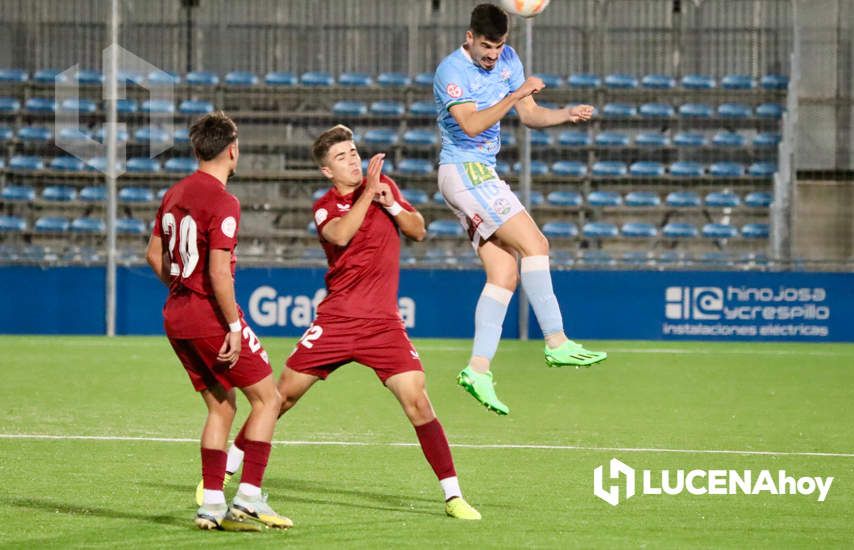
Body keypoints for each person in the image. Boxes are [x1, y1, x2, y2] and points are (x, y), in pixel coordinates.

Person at [212, 125, 482, 520]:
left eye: (354, 152)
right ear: (327, 171)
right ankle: (224, 473)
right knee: (279, 398)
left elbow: (419, 230)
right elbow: (340, 235)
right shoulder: (325, 205)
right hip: (336, 322)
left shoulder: (382, 186)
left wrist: (390, 203)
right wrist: (370, 195)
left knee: (418, 401)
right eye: (342, 157)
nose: (353, 160)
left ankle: (453, 495)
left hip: (383, 325)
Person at [433, 3, 608, 416]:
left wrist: (565, 114)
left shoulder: (509, 60)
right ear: (470, 37)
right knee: (536, 243)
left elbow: (529, 116)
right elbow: (472, 125)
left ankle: (478, 369)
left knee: (505, 274)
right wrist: (515, 94)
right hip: (463, 170)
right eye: (487, 46)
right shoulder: (451, 72)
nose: (494, 54)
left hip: (480, 172)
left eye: (500, 46)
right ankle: (556, 341)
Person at [146, 111, 292, 532]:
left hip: (177, 316)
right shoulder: (224, 201)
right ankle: (247, 497)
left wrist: (182, 289)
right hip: (210, 316)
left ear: (196, 150)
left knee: (221, 406)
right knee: (269, 399)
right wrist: (231, 325)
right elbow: (217, 273)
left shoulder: (174, 192)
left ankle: (211, 505)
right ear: (233, 150)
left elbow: (154, 256)